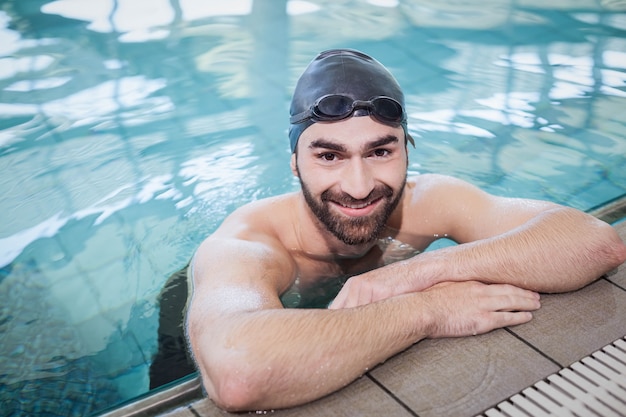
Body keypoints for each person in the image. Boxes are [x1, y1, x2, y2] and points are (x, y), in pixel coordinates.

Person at [185, 49, 626, 412]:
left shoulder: (430, 201)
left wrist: (414, 273)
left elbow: (596, 243)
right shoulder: (247, 242)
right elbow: (239, 373)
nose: (358, 187)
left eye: (379, 151)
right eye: (329, 156)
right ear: (294, 163)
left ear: (407, 152)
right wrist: (428, 310)